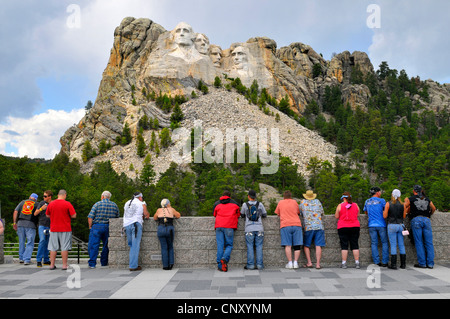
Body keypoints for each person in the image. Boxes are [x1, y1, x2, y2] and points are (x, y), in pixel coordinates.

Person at [404, 185, 436, 269]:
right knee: (429, 242)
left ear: (414, 191)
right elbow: (433, 208)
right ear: (421, 191)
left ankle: (422, 263)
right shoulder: (427, 198)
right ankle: (430, 264)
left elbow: (404, 206)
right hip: (426, 219)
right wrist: (429, 214)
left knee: (419, 242)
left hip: (416, 219)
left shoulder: (410, 199)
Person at [87, 191, 120, 269]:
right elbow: (117, 217)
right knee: (106, 245)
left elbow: (90, 216)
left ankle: (92, 263)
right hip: (108, 227)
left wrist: (90, 226)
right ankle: (104, 262)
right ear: (109, 197)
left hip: (97, 226)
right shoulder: (114, 205)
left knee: (94, 245)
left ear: (102, 196)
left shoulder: (97, 204)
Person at [46, 190, 77, 270]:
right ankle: (64, 265)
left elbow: (47, 215)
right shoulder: (67, 204)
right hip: (65, 228)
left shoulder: (51, 203)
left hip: (53, 228)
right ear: (65, 195)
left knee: (53, 247)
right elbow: (73, 215)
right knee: (64, 247)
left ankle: (52, 265)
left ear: (58, 195)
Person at [213, 190, 241, 272]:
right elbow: (238, 214)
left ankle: (220, 265)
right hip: (229, 226)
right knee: (229, 245)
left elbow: (214, 214)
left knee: (220, 245)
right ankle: (224, 259)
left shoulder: (217, 203)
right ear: (230, 196)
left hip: (218, 226)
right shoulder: (235, 204)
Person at [275, 190, 303, 269]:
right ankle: (296, 263)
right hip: (296, 224)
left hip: (285, 225)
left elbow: (277, 213)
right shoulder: (294, 202)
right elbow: (298, 212)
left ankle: (290, 263)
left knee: (288, 245)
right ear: (291, 196)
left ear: (284, 196)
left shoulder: (280, 202)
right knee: (297, 245)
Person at [240, 190, 267, 270]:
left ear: (248, 196)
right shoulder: (260, 204)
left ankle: (250, 265)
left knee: (250, 246)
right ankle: (259, 265)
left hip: (249, 229)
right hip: (259, 229)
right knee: (259, 246)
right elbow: (264, 215)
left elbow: (242, 215)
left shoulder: (245, 205)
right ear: (255, 197)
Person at [299, 190, 326, 269]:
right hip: (319, 226)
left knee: (306, 245)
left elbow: (300, 213)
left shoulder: (303, 202)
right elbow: (322, 213)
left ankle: (309, 262)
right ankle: (318, 264)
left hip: (308, 226)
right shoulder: (317, 202)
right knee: (318, 245)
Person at [123, 192, 150, 271]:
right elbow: (146, 215)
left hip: (127, 225)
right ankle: (133, 266)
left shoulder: (127, 202)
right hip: (136, 225)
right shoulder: (141, 203)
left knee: (131, 245)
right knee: (135, 246)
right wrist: (145, 209)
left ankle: (132, 263)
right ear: (140, 197)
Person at [364, 187, 388, 267]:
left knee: (374, 243)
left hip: (371, 224)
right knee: (384, 242)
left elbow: (366, 212)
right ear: (377, 192)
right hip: (381, 224)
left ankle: (376, 261)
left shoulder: (367, 201)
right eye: (380, 191)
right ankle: (385, 261)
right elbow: (386, 210)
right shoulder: (382, 201)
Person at [335, 192, 361, 269]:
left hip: (343, 227)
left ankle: (344, 263)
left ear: (343, 198)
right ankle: (357, 262)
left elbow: (336, 216)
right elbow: (358, 214)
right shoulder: (355, 205)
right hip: (355, 226)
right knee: (355, 244)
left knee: (344, 245)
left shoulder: (340, 205)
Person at [153, 199, 181, 270]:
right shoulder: (171, 209)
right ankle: (171, 264)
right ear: (168, 204)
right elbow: (178, 216)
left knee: (164, 247)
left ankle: (165, 265)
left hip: (160, 229)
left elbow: (155, 218)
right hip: (169, 229)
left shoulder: (158, 210)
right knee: (170, 246)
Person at [383, 189, 406, 270]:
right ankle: (403, 264)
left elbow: (385, 216)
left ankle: (393, 264)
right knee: (401, 244)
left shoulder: (388, 204)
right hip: (400, 225)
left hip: (392, 225)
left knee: (393, 245)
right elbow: (404, 216)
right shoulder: (403, 204)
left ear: (392, 195)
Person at [13, 193, 39, 265]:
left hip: (20, 223)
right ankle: (26, 259)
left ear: (29, 197)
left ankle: (21, 258)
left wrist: (15, 222)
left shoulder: (22, 202)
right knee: (30, 242)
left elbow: (15, 211)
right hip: (31, 224)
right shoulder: (37, 204)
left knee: (21, 241)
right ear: (36, 199)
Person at [34, 190, 53, 267]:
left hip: (50, 225)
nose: (44, 197)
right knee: (42, 240)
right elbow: (35, 213)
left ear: (50, 197)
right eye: (43, 196)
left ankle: (46, 259)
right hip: (42, 225)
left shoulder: (53, 204)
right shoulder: (41, 203)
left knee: (48, 243)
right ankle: (38, 260)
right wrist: (41, 208)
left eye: (45, 196)